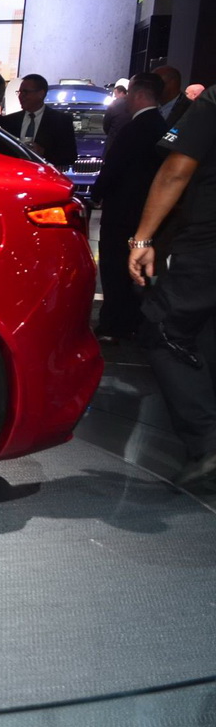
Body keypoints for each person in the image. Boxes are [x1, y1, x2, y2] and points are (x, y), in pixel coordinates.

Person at [127, 83, 216, 488]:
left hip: (207, 244)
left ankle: (208, 445)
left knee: (162, 330)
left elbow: (177, 169)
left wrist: (142, 239)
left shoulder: (213, 101)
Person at [92, 72, 167, 344]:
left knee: (114, 269)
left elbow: (113, 168)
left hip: (121, 212)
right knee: (137, 273)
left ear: (137, 95)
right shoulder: (164, 126)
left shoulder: (132, 129)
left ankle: (113, 323)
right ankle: (134, 321)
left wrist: (96, 194)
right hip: (148, 212)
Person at [0, 73, 76, 169]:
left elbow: (70, 157)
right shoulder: (9, 121)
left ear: (41, 94)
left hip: (43, 174)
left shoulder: (61, 121)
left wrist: (43, 152)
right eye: (19, 92)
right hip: (15, 173)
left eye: (25, 92)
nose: (21, 96)